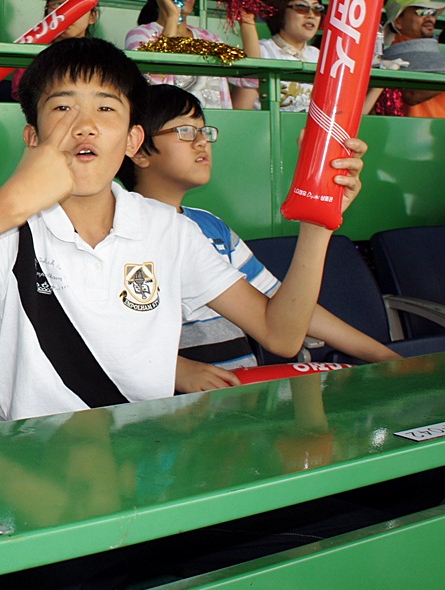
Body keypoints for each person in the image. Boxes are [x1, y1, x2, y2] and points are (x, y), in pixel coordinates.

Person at [0, 37, 367, 422]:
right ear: (33, 137)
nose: (84, 125)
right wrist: (14, 201)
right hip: (39, 471)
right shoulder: (3, 228)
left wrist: (320, 221)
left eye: (106, 108)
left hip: (146, 462)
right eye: (62, 107)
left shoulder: (168, 231)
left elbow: (281, 335)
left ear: (131, 140)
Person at [118, 84, 399, 392]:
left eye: (205, 131)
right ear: (139, 149)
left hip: (242, 395)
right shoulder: (116, 232)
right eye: (185, 131)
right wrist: (174, 369)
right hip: (168, 407)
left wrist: (384, 357)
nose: (202, 143)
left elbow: (283, 309)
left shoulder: (211, 227)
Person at [124, 0, 257, 110]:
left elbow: (250, 78)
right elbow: (153, 81)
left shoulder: (210, 38)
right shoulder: (141, 34)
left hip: (215, 128)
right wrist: (172, 17)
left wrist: (247, 21)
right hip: (170, 129)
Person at [237, 0, 323, 112]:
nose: (311, 15)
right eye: (301, 7)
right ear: (281, 12)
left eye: (318, 9)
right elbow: (241, 110)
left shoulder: (319, 56)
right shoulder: (260, 51)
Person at [366, 0, 445, 115]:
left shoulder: (438, 54)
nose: (430, 18)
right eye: (421, 11)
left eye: (432, 12)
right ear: (398, 21)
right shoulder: (392, 58)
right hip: (412, 130)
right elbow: (411, 96)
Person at [9, 0, 100, 102]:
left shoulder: (102, 55)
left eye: (75, 5)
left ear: (92, 16)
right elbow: (22, 96)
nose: (67, 13)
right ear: (47, 14)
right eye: (57, 4)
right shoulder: (32, 51)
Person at [381, 36, 445, 118]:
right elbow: (411, 96)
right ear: (398, 23)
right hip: (410, 126)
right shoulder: (399, 52)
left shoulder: (435, 52)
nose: (431, 22)